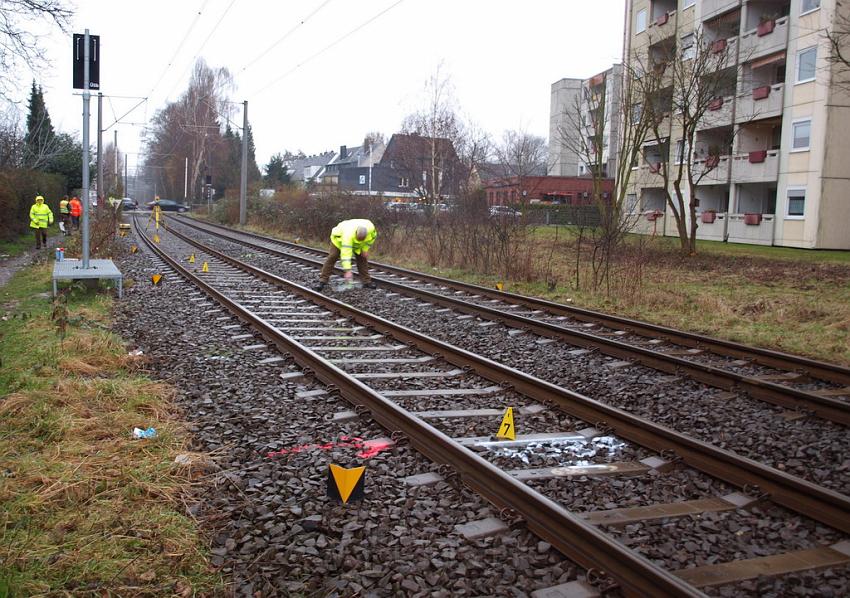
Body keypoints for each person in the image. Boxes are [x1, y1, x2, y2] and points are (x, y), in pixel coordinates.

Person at [314, 218, 377, 291]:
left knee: (362, 258)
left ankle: (367, 281)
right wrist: (348, 271)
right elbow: (346, 255)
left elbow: (372, 239)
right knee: (333, 256)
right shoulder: (347, 236)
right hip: (338, 240)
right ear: (356, 234)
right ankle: (323, 280)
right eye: (358, 239)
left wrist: (365, 249)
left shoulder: (371, 229)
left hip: (359, 245)